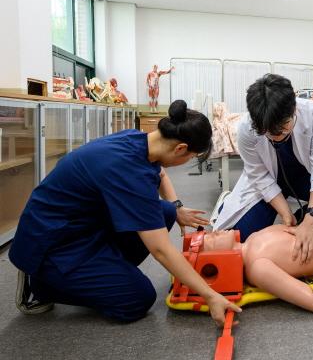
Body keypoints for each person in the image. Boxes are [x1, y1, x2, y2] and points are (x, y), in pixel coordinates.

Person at [9, 100, 241, 324]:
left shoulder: (139, 139)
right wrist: (210, 296)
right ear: (180, 148)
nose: (187, 160)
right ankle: (42, 285)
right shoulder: (129, 173)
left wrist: (177, 207)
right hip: (52, 245)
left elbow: (159, 174)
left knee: (167, 212)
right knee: (137, 298)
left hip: (82, 226)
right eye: (190, 157)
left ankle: (104, 273)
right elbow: (160, 249)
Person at [214, 74, 313, 263]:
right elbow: (259, 175)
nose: (276, 136)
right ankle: (229, 207)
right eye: (269, 132)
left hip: (304, 175)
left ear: (294, 107)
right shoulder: (246, 128)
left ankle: (299, 226)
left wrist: (311, 218)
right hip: (268, 180)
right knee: (241, 237)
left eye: (282, 128)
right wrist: (285, 213)